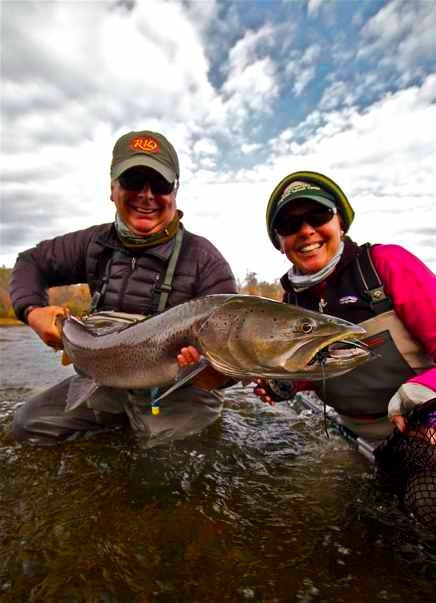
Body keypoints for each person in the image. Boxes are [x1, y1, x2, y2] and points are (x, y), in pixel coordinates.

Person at [9, 129, 237, 445]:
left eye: (160, 185)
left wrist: (213, 376)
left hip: (178, 391)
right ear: (113, 189)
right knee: (28, 425)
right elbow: (28, 262)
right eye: (133, 181)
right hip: (103, 378)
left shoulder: (205, 260)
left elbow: (231, 366)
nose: (147, 195)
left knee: (166, 466)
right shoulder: (93, 243)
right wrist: (32, 311)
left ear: (174, 192)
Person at [254, 170, 436, 527]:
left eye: (318, 216)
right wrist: (289, 383)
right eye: (290, 224)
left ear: (341, 222)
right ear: (280, 241)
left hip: (425, 425)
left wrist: (427, 390)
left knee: (426, 503)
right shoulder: (291, 304)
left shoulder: (386, 265)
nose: (305, 230)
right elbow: (318, 367)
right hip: (354, 433)